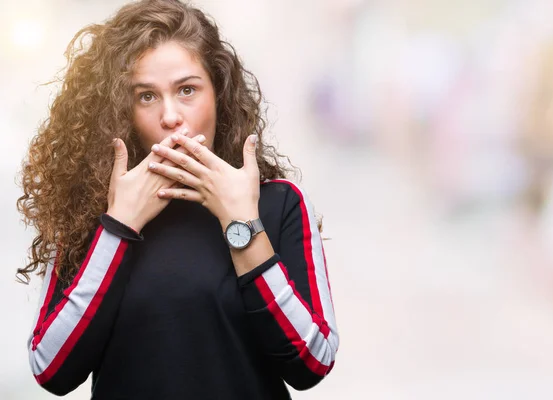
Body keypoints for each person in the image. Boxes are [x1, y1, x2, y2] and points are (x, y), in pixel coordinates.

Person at [16, 0, 339, 398]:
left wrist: (241, 222)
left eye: (187, 90)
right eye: (147, 96)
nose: (171, 116)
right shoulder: (96, 206)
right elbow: (51, 370)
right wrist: (118, 227)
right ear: (122, 110)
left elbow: (312, 361)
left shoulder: (277, 203)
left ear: (218, 94)